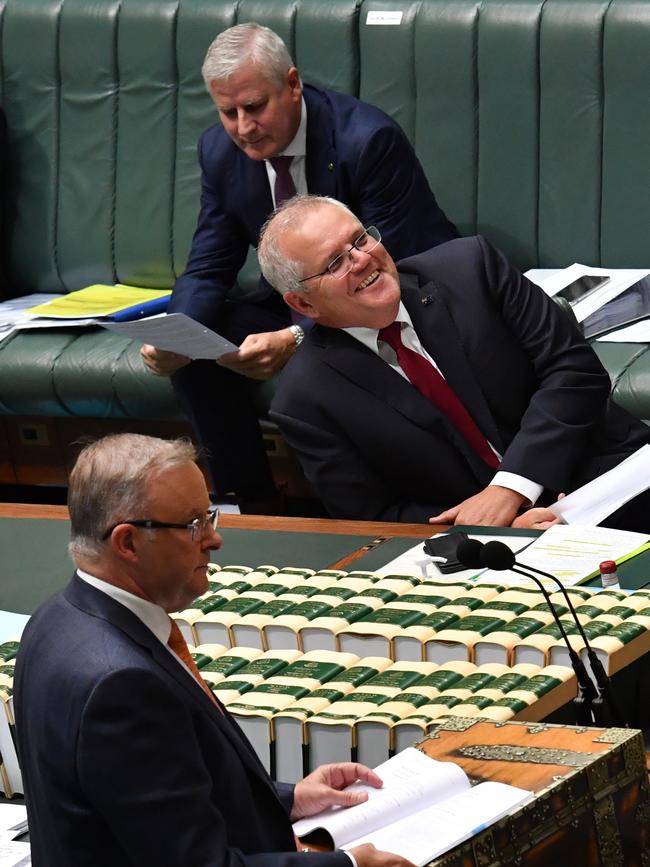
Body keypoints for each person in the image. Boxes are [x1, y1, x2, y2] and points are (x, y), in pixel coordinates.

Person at [13, 433, 415, 867]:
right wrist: (352, 865)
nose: (214, 539)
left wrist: (288, 798)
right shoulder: (122, 684)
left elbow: (145, 802)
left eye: (209, 517)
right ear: (127, 543)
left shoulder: (54, 619)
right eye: (192, 525)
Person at [140, 23, 458, 512]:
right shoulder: (221, 152)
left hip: (388, 296)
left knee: (321, 350)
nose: (243, 127)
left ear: (292, 84)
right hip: (298, 298)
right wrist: (177, 335)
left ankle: (365, 516)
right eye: (228, 112)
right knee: (199, 349)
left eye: (254, 107)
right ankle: (247, 504)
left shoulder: (366, 139)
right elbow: (208, 265)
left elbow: (392, 265)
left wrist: (299, 336)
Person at [258, 195, 650, 529]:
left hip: (605, 481)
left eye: (360, 239)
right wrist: (500, 529)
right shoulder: (305, 400)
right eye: (334, 263)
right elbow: (373, 517)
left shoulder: (471, 269)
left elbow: (574, 372)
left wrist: (512, 488)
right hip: (489, 550)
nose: (361, 260)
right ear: (303, 303)